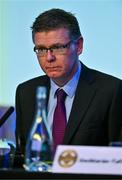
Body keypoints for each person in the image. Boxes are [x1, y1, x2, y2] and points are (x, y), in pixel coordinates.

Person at [15, 8, 122, 164]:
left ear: (78, 46)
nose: (49, 58)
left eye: (58, 47)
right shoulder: (26, 92)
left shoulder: (111, 91)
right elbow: (23, 156)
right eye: (41, 49)